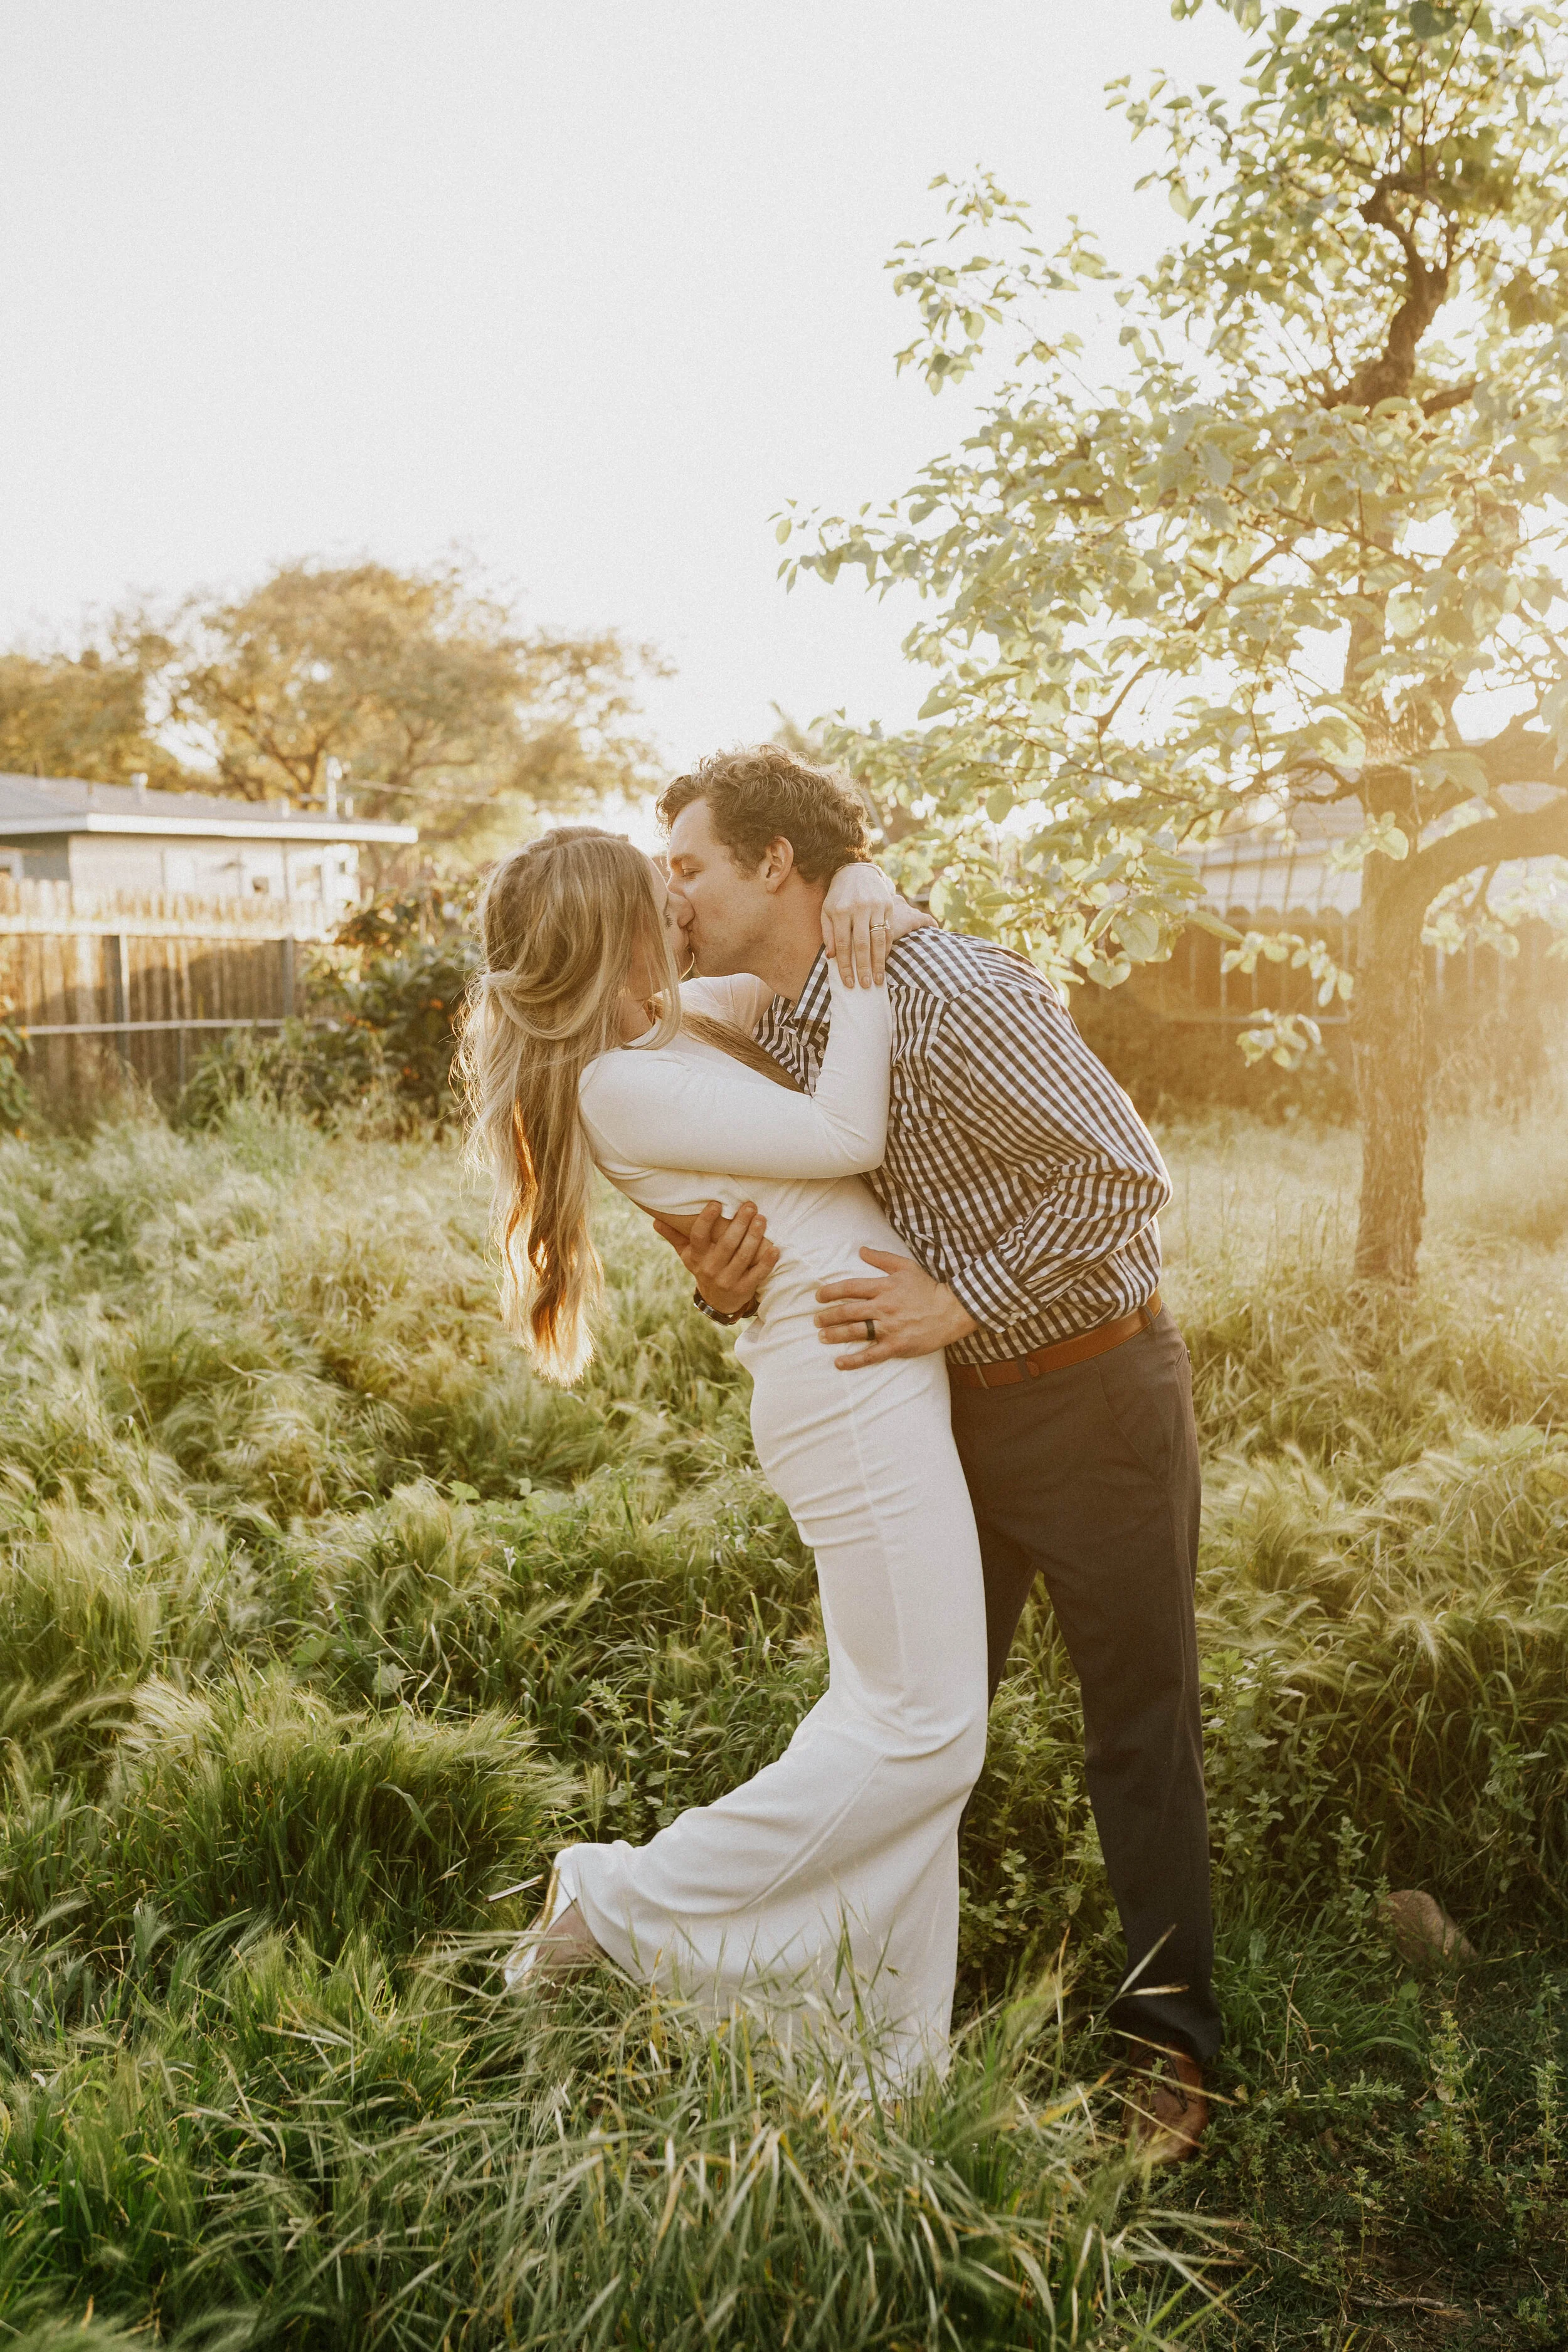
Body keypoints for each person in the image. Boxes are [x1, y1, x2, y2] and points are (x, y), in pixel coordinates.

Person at [654, 745, 1218, 2164]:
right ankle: (867, 2022)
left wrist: (960, 1301)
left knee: (1134, 1735)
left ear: (774, 866)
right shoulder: (770, 1023)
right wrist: (723, 1277)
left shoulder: (951, 989)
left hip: (1092, 1400)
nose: (670, 896)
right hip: (936, 1418)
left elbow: (1122, 1182)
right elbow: (757, 1198)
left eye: (690, 868)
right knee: (912, 1728)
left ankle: (1171, 2051)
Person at [459, 825, 987, 2084]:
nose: (683, 903)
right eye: (662, 894)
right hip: (845, 1384)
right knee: (924, 1731)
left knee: (893, 1718)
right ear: (617, 932)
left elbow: (780, 963)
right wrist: (863, 972)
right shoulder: (616, 1082)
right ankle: (612, 1906)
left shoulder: (661, 1027)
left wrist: (856, 886)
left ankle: (875, 2055)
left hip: (865, 1366)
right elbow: (849, 1131)